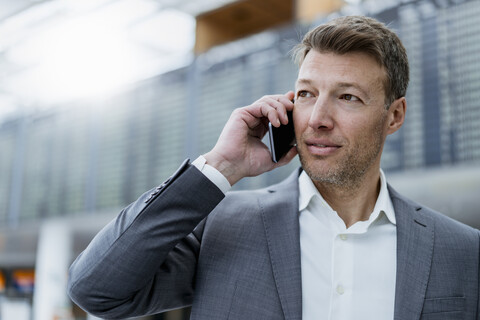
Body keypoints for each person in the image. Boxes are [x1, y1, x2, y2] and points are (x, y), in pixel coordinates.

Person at [67, 16, 479, 320]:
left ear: (394, 116)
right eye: (305, 93)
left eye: (348, 97)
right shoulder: (223, 225)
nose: (317, 117)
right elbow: (97, 290)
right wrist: (222, 165)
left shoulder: (462, 251)